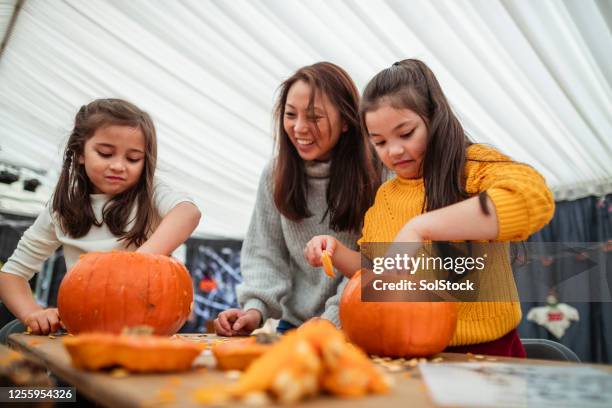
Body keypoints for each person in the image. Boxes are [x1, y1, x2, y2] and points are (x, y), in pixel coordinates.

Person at [304, 59, 555, 357]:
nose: (394, 151)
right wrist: (337, 251)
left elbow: (533, 198)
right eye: (380, 142)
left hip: (489, 353)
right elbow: (382, 275)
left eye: (406, 133)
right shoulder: (384, 198)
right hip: (409, 352)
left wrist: (420, 227)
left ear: (433, 118)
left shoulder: (473, 167)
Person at [0, 98, 201, 336]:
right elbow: (12, 273)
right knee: (9, 334)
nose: (118, 165)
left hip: (145, 328)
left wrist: (136, 264)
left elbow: (188, 212)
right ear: (80, 152)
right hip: (82, 327)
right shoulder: (62, 206)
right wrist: (32, 313)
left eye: (133, 158)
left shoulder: (151, 193)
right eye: (105, 153)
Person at [214, 62, 381, 336]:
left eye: (314, 117)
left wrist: (331, 322)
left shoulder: (377, 174)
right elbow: (264, 252)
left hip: (357, 326)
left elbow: (373, 265)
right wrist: (254, 310)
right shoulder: (275, 173)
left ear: (346, 121)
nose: (299, 127)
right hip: (295, 328)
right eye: (290, 114)